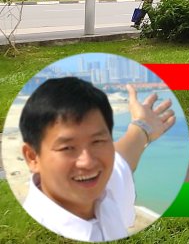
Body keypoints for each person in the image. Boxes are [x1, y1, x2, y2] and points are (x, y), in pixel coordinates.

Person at [19, 77, 175, 242]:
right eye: (67, 148)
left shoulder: (103, 190)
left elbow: (123, 158)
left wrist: (143, 126)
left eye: (97, 141)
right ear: (32, 157)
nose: (88, 162)